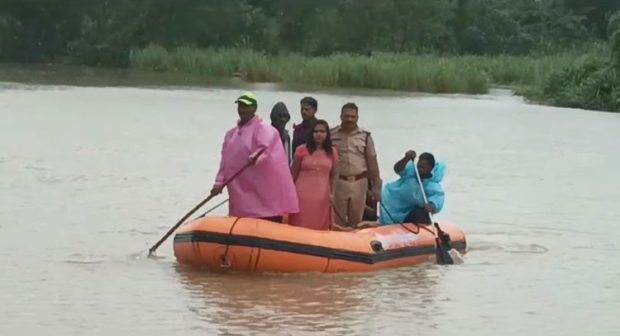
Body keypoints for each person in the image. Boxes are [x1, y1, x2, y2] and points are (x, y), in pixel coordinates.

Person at [210, 92, 299, 223]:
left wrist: (255, 158)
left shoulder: (265, 130)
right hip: (240, 192)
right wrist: (219, 183)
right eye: (240, 106)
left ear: (254, 108)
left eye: (246, 106)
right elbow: (225, 162)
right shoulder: (231, 135)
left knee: (268, 216)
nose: (242, 109)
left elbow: (265, 149)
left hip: (263, 191)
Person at [330, 103, 382, 229]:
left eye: (353, 117)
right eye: (346, 116)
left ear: (357, 118)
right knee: (338, 221)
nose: (349, 119)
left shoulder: (365, 136)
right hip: (338, 182)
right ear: (341, 116)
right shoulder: (331, 135)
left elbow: (372, 161)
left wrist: (376, 187)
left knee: (357, 221)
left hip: (359, 182)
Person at [288, 120, 338, 231]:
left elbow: (333, 176)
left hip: (322, 195)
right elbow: (292, 175)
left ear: (327, 134)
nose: (319, 134)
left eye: (322, 131)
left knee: (320, 224)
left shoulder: (332, 152)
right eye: (315, 131)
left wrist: (332, 194)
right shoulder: (301, 150)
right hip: (301, 195)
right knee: (300, 223)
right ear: (311, 133)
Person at [379, 151, 446, 225]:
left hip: (411, 212)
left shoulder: (433, 185)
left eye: (423, 168)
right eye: (418, 166)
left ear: (430, 168)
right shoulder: (411, 171)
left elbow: (437, 199)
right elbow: (397, 169)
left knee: (420, 214)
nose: (419, 169)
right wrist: (406, 158)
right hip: (396, 206)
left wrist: (431, 206)